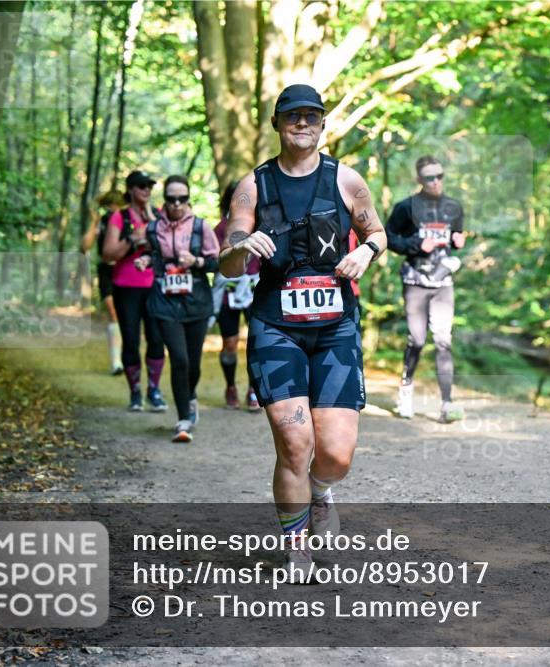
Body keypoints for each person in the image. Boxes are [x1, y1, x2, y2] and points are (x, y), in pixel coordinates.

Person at [218, 84, 386, 578]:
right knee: (294, 444)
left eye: (312, 116)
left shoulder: (346, 180)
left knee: (336, 454)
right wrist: (242, 246)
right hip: (277, 329)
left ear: (322, 124)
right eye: (293, 116)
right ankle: (297, 550)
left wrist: (365, 252)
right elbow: (227, 263)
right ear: (277, 123)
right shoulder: (253, 187)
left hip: (335, 329)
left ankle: (321, 490)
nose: (303, 124)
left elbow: (377, 233)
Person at [134, 175, 220, 442]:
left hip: (196, 301)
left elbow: (217, 262)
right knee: (179, 359)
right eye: (171, 199)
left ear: (188, 199)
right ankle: (183, 420)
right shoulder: (152, 228)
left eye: (182, 199)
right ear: (165, 201)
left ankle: (190, 396)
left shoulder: (200, 227)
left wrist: (196, 261)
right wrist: (145, 260)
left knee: (193, 364)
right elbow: (152, 253)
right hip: (164, 301)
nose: (177, 204)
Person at [385, 155, 466, 423]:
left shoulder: (454, 207)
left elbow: (455, 238)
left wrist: (458, 241)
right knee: (417, 340)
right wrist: (415, 245)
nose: (436, 182)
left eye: (439, 176)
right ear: (419, 179)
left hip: (443, 283)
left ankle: (447, 403)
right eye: (430, 178)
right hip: (415, 282)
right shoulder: (406, 207)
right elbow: (388, 237)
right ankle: (406, 390)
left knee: (443, 340)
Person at [101, 170, 168, 413]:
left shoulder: (159, 215)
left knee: (157, 339)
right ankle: (135, 393)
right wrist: (133, 238)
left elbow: (171, 247)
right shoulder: (120, 217)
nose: (146, 190)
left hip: (155, 286)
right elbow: (107, 255)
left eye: (149, 185)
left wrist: (153, 232)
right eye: (141, 186)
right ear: (130, 189)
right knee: (130, 340)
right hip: (126, 287)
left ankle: (154, 390)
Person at [212, 181, 261, 411]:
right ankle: (230, 386)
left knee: (258, 342)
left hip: (255, 291)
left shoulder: (261, 225)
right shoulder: (221, 228)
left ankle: (254, 389)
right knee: (230, 343)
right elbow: (213, 259)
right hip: (228, 293)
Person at [80, 189, 126, 375]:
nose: (113, 211)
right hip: (106, 270)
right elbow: (85, 246)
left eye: (116, 207)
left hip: (126, 271)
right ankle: (116, 362)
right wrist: (94, 222)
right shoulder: (103, 221)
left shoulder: (128, 221)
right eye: (109, 208)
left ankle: (126, 356)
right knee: (113, 312)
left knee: (126, 316)